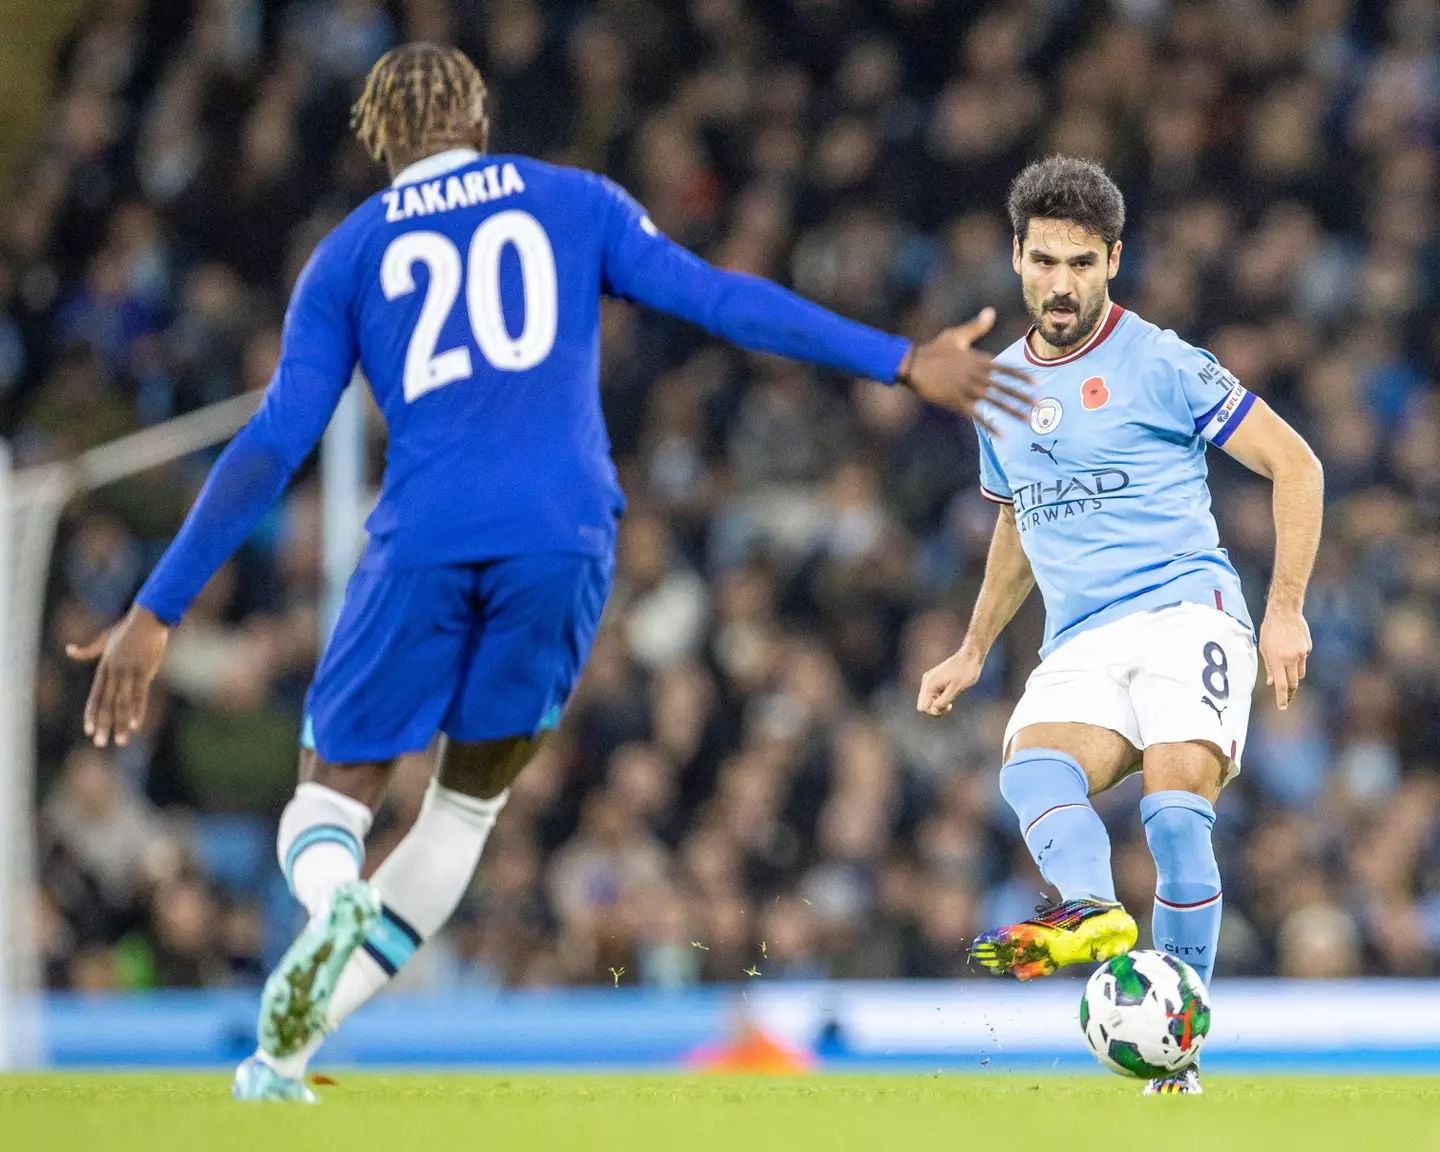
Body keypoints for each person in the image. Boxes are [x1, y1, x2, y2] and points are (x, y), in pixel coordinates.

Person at [67, 43, 1032, 1102]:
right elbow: (718, 298)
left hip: (424, 537)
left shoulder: (346, 255)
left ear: (376, 140)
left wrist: (157, 607)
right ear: (480, 121)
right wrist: (899, 359)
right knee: (462, 816)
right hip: (565, 536)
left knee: (329, 805)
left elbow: (273, 441)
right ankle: (285, 1052)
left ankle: (329, 901)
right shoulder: (577, 201)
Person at [916, 155, 1323, 1096]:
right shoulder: (998, 387)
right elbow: (1017, 517)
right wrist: (974, 647)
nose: (1062, 284)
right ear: (1016, 256)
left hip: (1189, 612)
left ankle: (1175, 1058)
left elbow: (1296, 465)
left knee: (1177, 816)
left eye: (1083, 264)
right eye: (1046, 261)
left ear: (1114, 263)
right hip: (1082, 639)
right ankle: (1092, 910)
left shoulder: (1165, 362)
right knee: (1030, 765)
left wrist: (1286, 608)